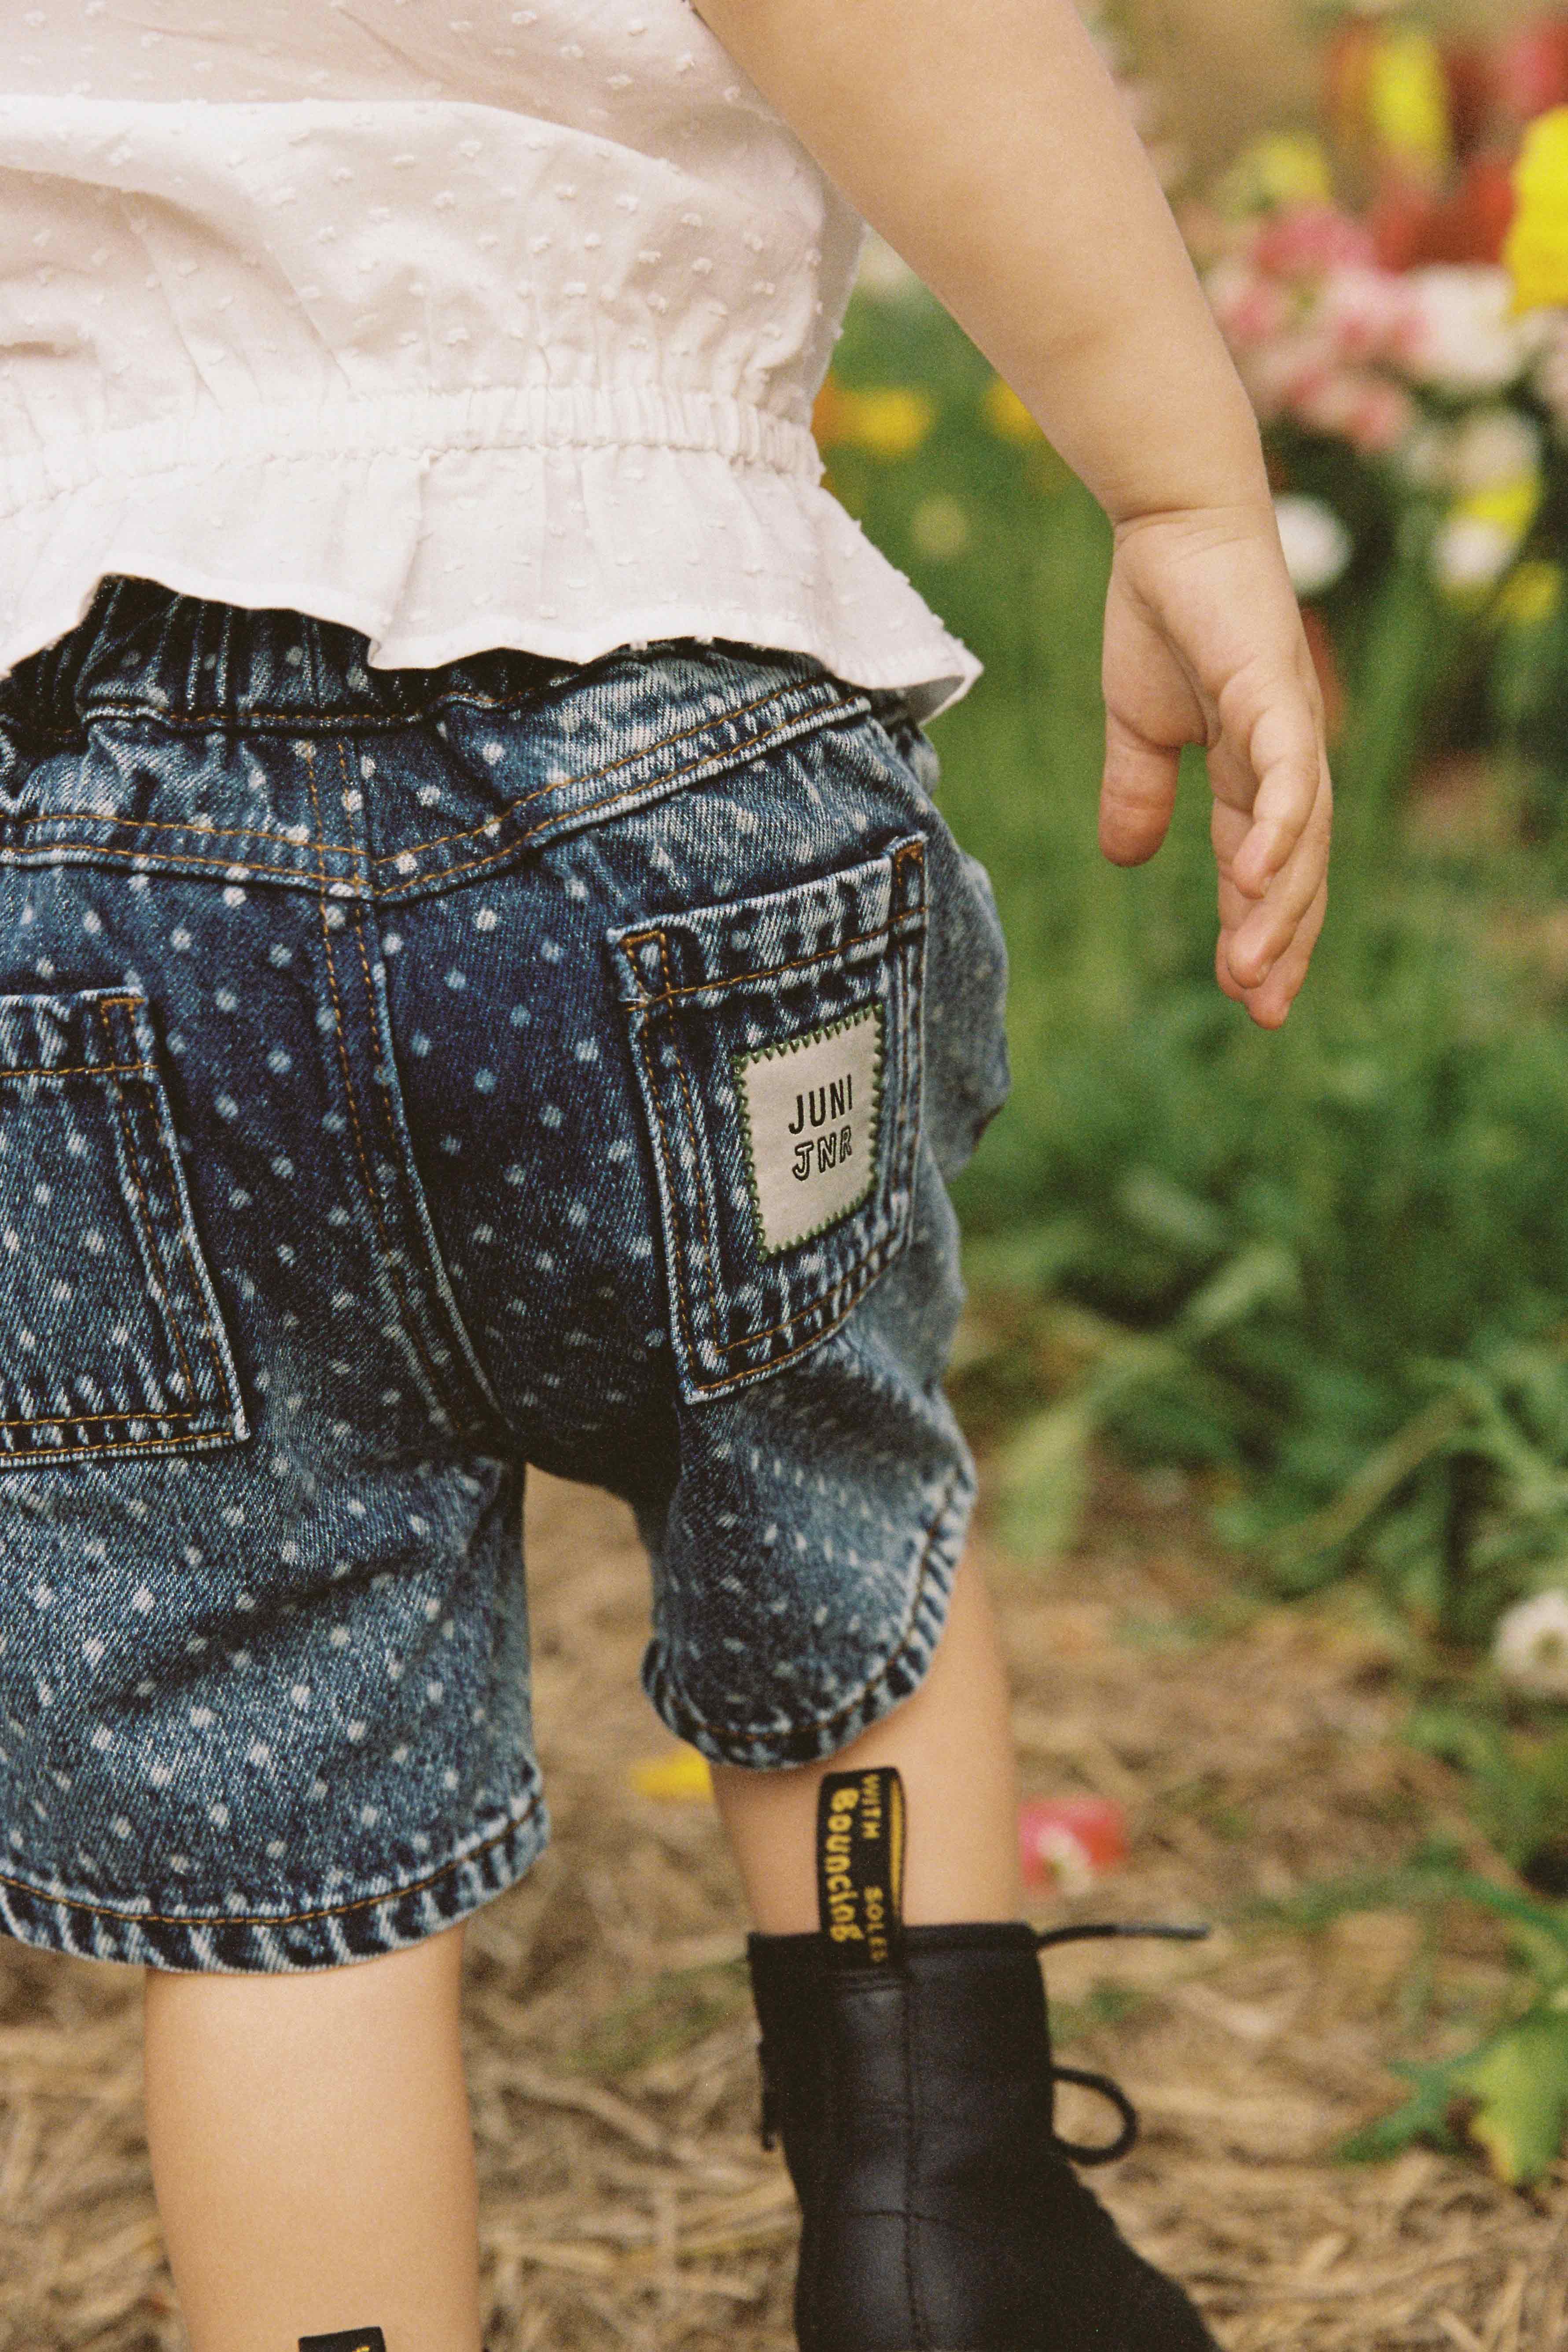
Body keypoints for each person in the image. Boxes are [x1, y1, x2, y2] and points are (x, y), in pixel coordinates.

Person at [0, 2, 1329, 2348]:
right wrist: (1179, 481)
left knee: (269, 1776)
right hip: (651, 741)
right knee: (828, 1565)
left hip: (97, 859)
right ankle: (943, 2241)